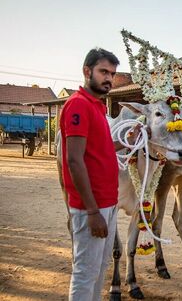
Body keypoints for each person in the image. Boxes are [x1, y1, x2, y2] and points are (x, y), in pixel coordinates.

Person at [60, 48, 120, 301]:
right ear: (87, 71)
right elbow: (74, 160)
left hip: (108, 202)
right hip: (91, 207)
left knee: (99, 270)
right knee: (85, 272)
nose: (108, 78)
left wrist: (129, 142)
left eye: (112, 74)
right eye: (103, 72)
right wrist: (93, 212)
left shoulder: (97, 107)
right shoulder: (78, 105)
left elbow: (100, 151)